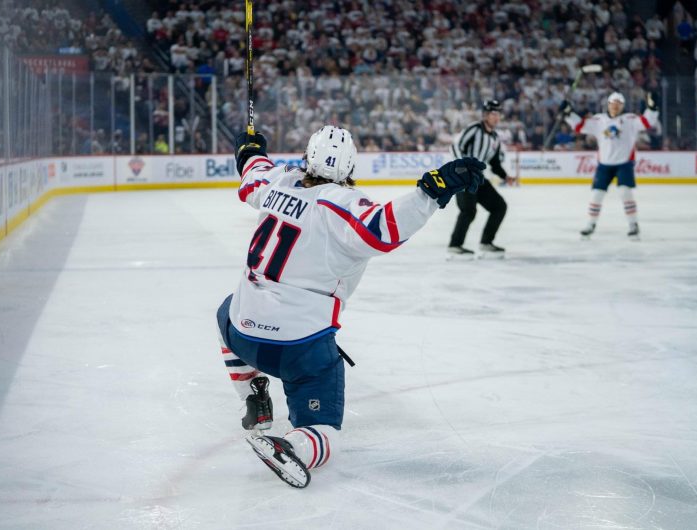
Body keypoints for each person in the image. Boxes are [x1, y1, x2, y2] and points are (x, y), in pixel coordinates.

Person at [215, 126, 485, 488]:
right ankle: (294, 445)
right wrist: (436, 187)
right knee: (326, 431)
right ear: (351, 166)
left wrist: (249, 150)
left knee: (225, 312)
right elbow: (384, 228)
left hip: (242, 332)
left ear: (307, 157)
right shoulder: (342, 205)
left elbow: (253, 174)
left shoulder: (279, 181)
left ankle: (254, 397)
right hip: (298, 348)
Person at [561, 91, 659, 240]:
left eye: (618, 104)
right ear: (608, 104)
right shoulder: (599, 120)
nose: (615, 107)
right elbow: (580, 126)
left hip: (624, 163)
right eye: (613, 104)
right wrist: (568, 113)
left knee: (625, 193)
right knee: (596, 195)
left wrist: (652, 108)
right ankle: (590, 224)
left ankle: (633, 224)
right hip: (604, 164)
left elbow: (647, 122)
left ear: (622, 106)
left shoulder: (629, 120)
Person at [447, 99, 512, 259]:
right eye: (493, 113)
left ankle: (486, 243)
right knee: (468, 210)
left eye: (498, 114)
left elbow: (494, 163)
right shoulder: (474, 129)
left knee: (499, 207)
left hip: (478, 178)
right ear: (485, 115)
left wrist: (506, 177)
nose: (496, 117)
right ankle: (455, 246)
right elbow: (455, 146)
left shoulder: (495, 138)